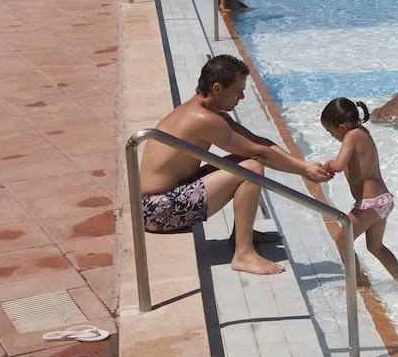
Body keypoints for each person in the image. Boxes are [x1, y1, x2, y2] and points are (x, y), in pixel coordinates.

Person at [137, 55, 332, 275]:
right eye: (238, 90)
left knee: (245, 163)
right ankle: (243, 254)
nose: (242, 96)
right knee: (251, 169)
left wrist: (302, 165)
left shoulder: (206, 111)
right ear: (217, 88)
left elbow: (257, 142)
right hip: (156, 210)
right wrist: (304, 170)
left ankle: (242, 234)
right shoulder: (202, 119)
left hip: (160, 200)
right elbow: (258, 152)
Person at [319, 98, 398, 285]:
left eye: (331, 132)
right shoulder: (363, 132)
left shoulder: (351, 136)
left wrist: (327, 165)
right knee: (375, 247)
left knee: (342, 240)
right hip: (383, 200)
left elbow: (338, 164)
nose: (332, 136)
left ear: (342, 127)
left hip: (370, 203)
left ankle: (359, 285)